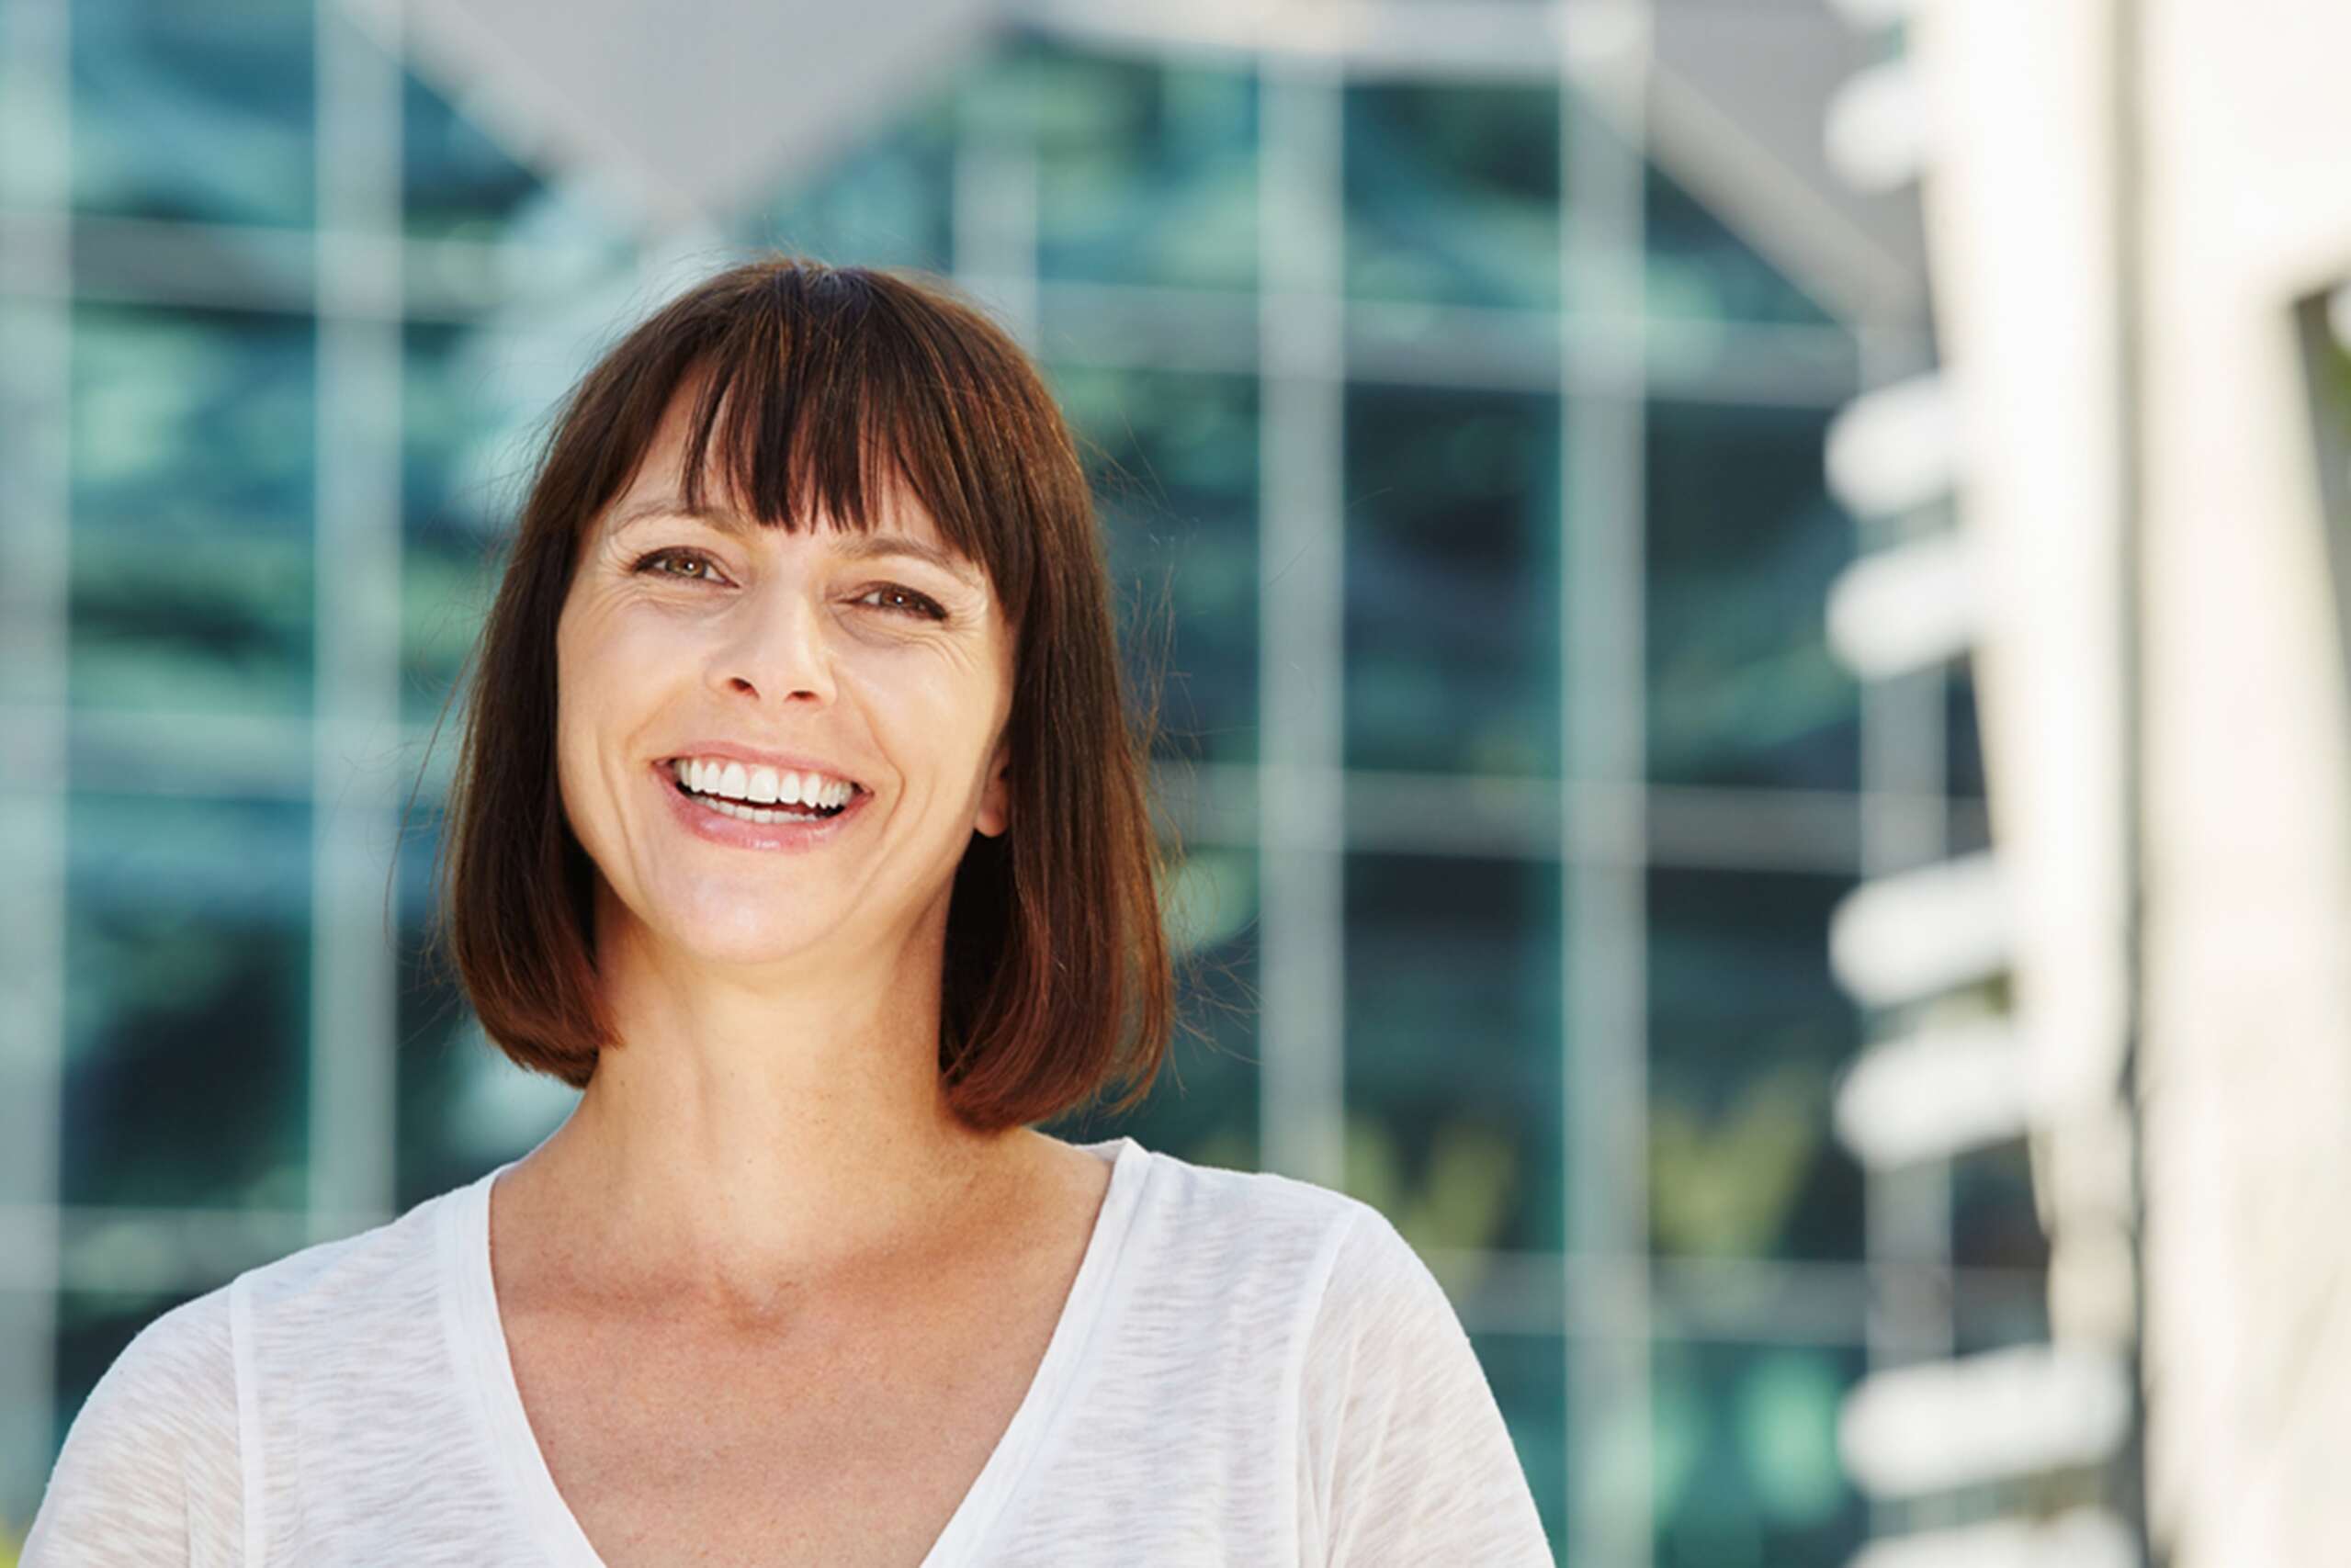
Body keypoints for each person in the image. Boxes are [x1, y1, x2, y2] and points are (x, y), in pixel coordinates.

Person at [21, 255, 1554, 1565]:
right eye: (684, 562)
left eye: (895, 597)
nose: (777, 661)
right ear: (553, 672)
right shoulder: (233, 1432)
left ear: (1010, 753)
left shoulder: (1295, 1345)